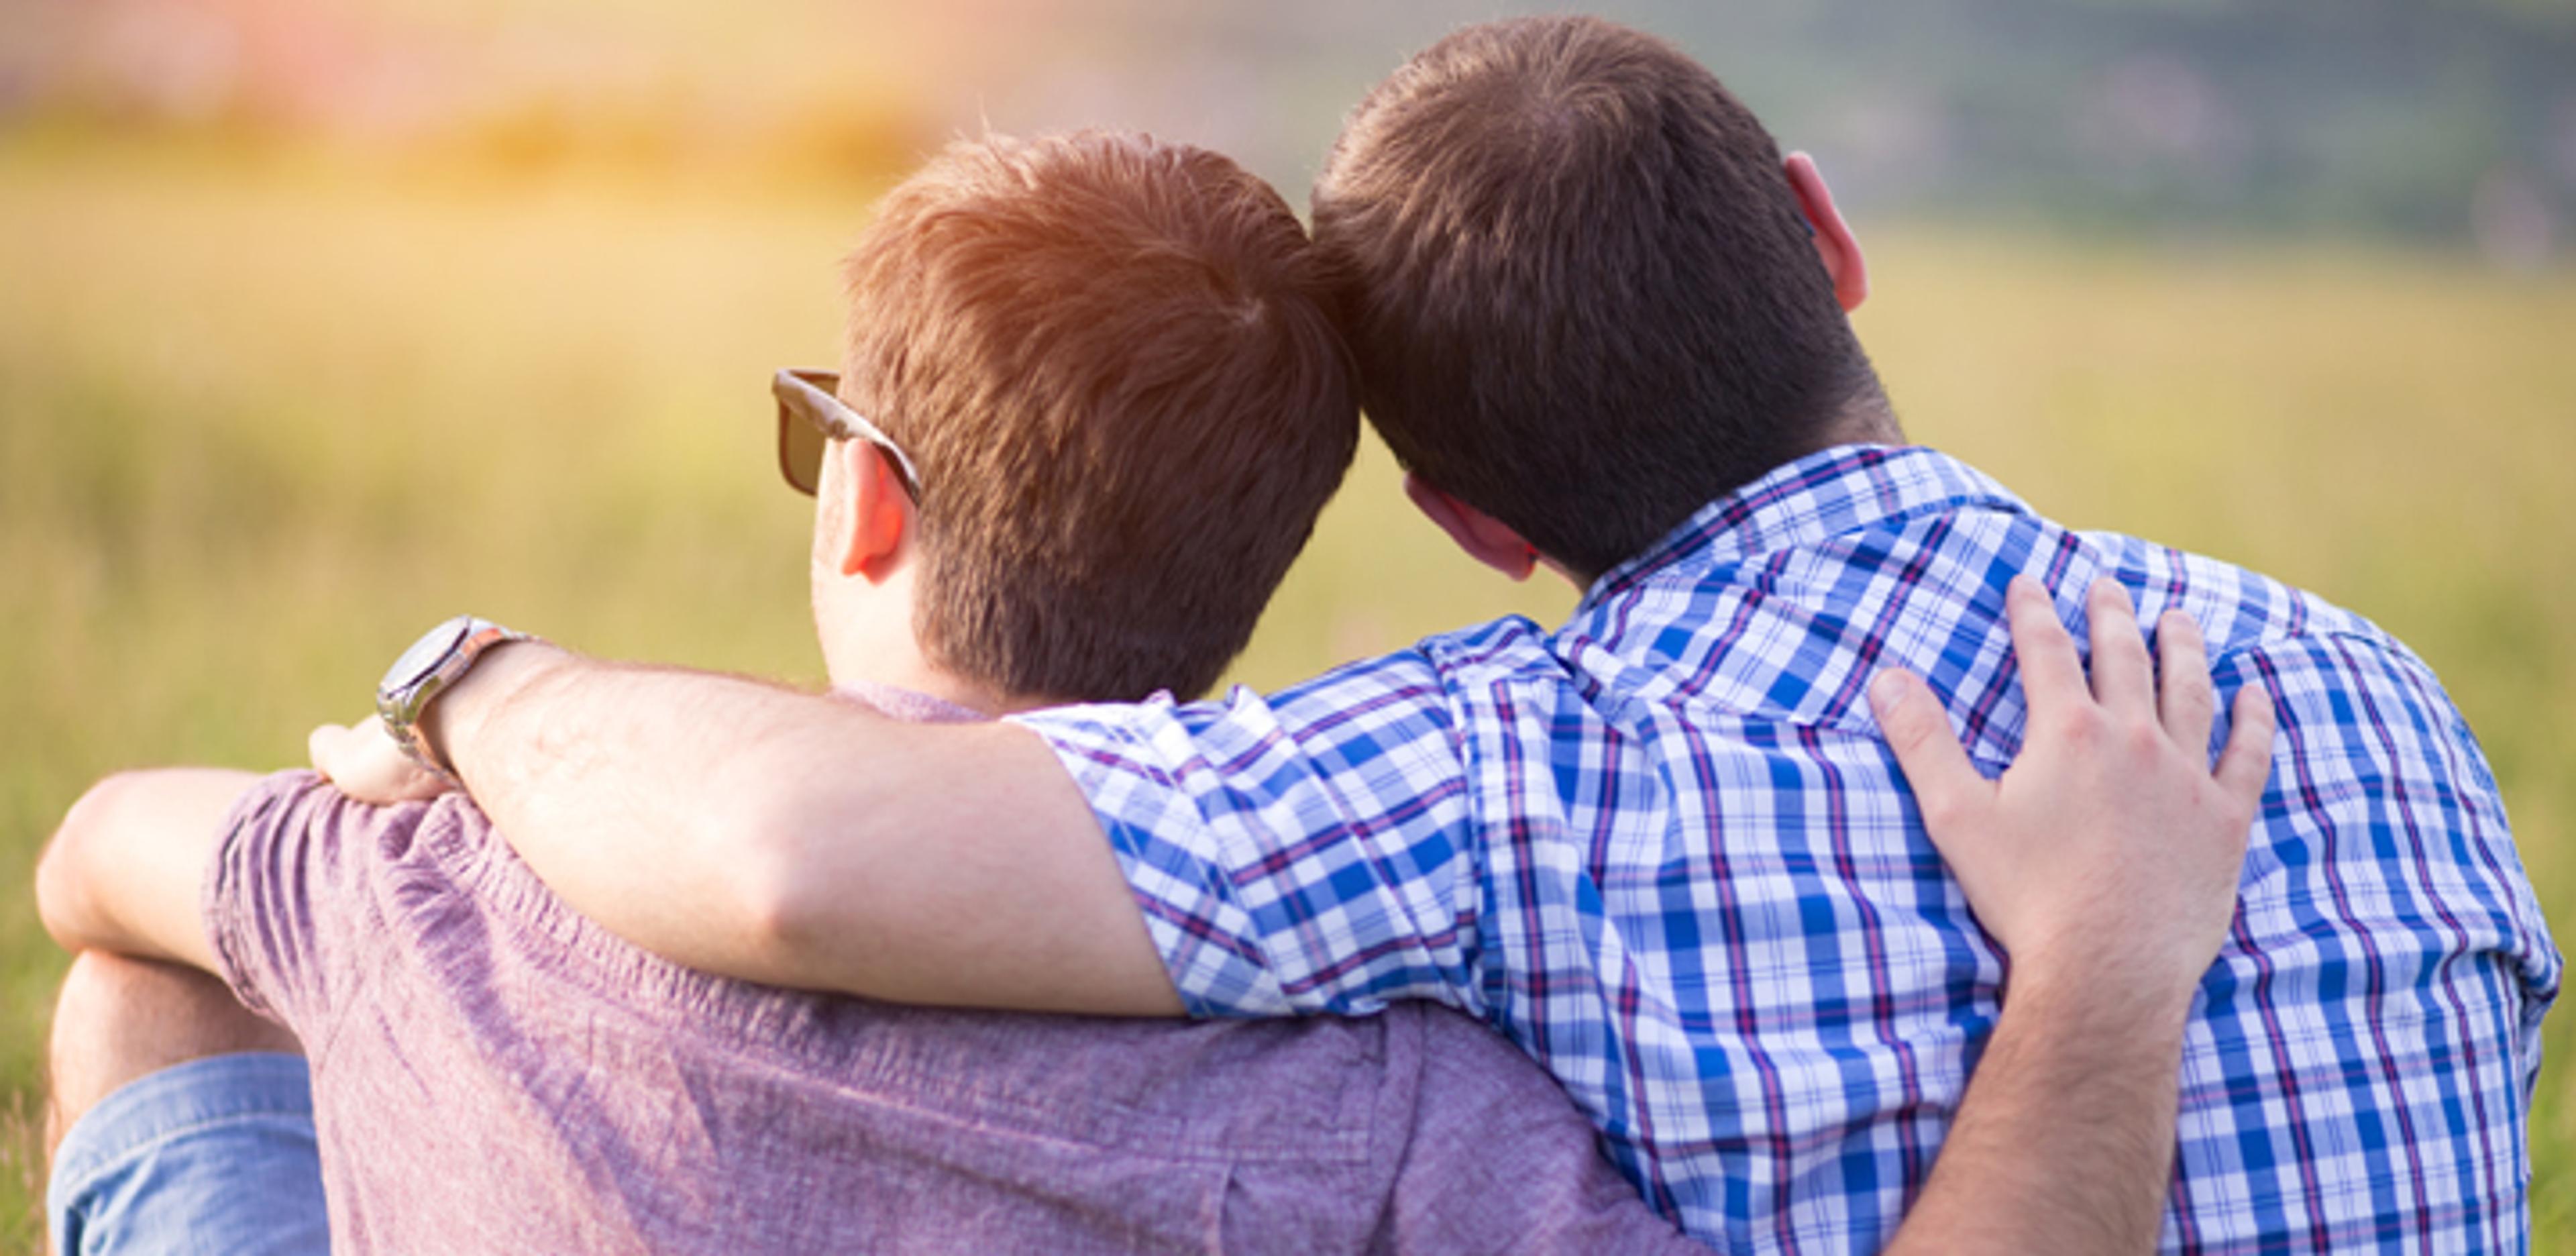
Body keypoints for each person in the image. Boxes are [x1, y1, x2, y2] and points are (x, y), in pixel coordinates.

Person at [308, 15, 2558, 1254]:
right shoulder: (2368, 686)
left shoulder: (1497, 774)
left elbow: (795, 856)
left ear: (1469, 522)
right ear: (1823, 239)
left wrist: (479, 687)